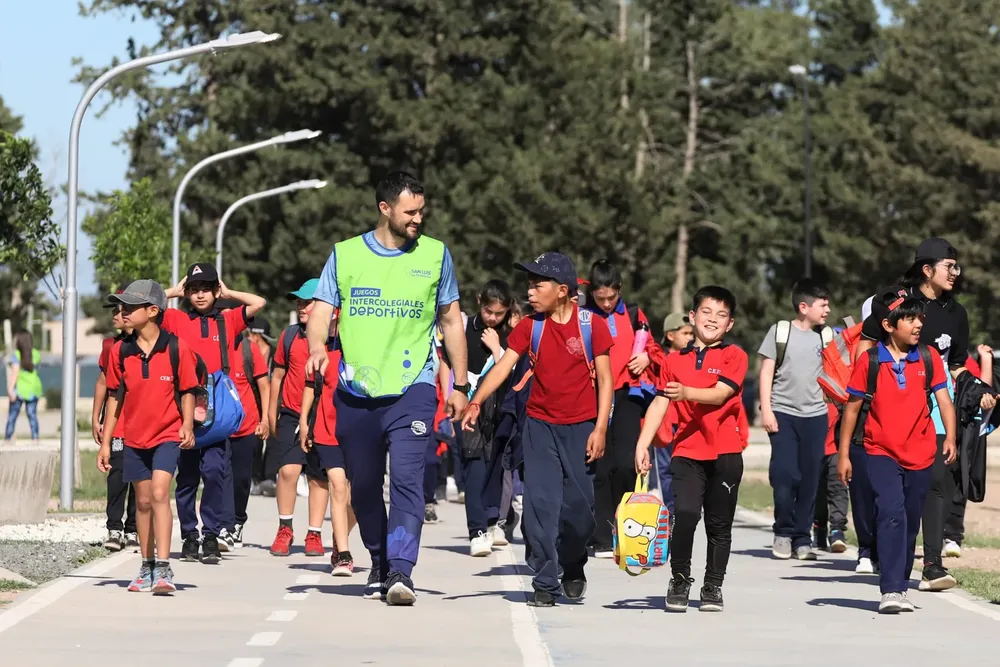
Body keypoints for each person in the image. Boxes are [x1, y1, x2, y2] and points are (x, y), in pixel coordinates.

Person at [306, 172, 469, 606]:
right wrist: (318, 346)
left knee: (407, 480)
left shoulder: (436, 255)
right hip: (356, 391)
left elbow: (451, 320)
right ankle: (378, 560)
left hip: (413, 387)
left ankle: (401, 569)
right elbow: (322, 309)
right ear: (385, 209)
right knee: (361, 487)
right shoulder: (345, 255)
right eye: (410, 211)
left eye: (422, 210)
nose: (419, 218)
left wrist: (461, 382)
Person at [462, 252, 614, 607]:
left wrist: (601, 427)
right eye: (529, 283)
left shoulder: (592, 326)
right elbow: (502, 368)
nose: (530, 291)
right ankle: (545, 581)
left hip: (581, 428)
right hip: (539, 427)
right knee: (540, 508)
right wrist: (475, 400)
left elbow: (606, 379)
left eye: (538, 283)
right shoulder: (530, 327)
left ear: (562, 290)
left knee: (580, 511)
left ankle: (573, 564)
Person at [857, 238, 995, 591]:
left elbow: (957, 367)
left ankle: (931, 563)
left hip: (936, 409)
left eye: (956, 266)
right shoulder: (895, 303)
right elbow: (866, 345)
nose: (955, 273)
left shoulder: (957, 313)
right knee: (893, 495)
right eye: (950, 266)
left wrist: (980, 390)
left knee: (936, 483)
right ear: (927, 269)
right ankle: (881, 551)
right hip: (890, 410)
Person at [837, 292, 956, 613]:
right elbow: (852, 410)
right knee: (890, 513)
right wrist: (844, 453)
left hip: (921, 452)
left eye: (920, 318)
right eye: (910, 319)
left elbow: (944, 399)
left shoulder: (928, 357)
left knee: (909, 519)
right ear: (889, 325)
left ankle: (899, 583)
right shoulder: (870, 360)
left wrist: (951, 438)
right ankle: (890, 588)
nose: (918, 324)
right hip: (880, 452)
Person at [635, 286, 748, 613]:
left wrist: (686, 391)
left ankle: (713, 585)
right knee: (684, 515)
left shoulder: (734, 355)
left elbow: (720, 394)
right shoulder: (673, 360)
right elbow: (659, 401)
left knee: (719, 524)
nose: (713, 319)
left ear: (730, 324)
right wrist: (643, 443)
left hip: (726, 452)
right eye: (707, 312)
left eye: (721, 315)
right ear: (693, 316)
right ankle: (680, 578)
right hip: (686, 450)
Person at [99, 280, 199, 595]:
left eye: (130, 307)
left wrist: (187, 425)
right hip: (134, 438)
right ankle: (147, 565)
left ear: (152, 311)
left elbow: (187, 390)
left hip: (167, 434)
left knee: (158, 493)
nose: (122, 312)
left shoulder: (175, 347)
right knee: (142, 502)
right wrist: (105, 441)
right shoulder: (120, 351)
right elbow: (115, 397)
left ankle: (165, 567)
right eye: (121, 307)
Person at [162, 263, 266, 563]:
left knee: (215, 473)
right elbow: (145, 303)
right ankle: (190, 536)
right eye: (194, 290)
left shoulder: (228, 320)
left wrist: (229, 292)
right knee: (187, 478)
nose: (200, 295)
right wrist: (173, 291)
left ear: (215, 291)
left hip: (216, 410)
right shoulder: (176, 319)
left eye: (206, 289)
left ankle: (211, 534)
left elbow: (259, 302)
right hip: (184, 406)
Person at [585, 260, 665, 557]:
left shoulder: (633, 314)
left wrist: (646, 357)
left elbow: (654, 348)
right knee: (600, 465)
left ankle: (627, 526)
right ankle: (602, 535)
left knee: (625, 462)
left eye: (612, 297)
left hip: (629, 394)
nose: (606, 303)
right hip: (594, 396)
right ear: (591, 293)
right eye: (600, 298)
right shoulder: (583, 315)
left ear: (619, 290)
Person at [757, 279, 832, 560]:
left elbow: (841, 369)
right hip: (783, 413)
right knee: (785, 475)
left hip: (816, 416)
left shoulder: (826, 337)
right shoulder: (780, 331)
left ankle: (803, 538)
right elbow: (766, 372)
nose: (827, 309)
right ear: (804, 306)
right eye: (822, 304)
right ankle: (783, 532)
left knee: (811, 479)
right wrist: (766, 409)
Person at [439, 279, 514, 556]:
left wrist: (497, 349)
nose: (493, 318)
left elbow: (512, 368)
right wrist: (450, 396)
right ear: (480, 302)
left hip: (501, 406)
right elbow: (446, 360)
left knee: (496, 464)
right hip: (467, 404)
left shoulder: (510, 335)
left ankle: (494, 522)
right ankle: (477, 530)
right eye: (488, 312)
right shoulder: (463, 329)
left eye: (499, 314)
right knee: (474, 464)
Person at [267, 280, 331, 557]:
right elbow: (277, 375)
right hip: (292, 413)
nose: (302, 307)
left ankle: (314, 533)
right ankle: (285, 527)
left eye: (308, 302)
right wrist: (271, 413)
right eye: (299, 302)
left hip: (324, 415)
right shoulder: (290, 336)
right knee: (288, 471)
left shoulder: (336, 337)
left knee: (319, 477)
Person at [300, 309, 358, 576]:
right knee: (337, 486)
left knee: (357, 496)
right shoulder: (322, 352)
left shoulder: (366, 351)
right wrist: (304, 422)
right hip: (327, 429)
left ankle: (339, 535)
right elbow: (311, 386)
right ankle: (344, 554)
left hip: (360, 432)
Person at [222, 302, 271, 549]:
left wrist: (265, 420)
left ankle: (237, 522)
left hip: (246, 426)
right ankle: (222, 526)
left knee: (241, 478)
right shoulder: (209, 348)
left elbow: (264, 386)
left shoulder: (248, 350)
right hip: (217, 427)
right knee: (218, 476)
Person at [93, 299, 138, 552]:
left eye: (121, 310)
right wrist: (95, 418)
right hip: (118, 421)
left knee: (140, 476)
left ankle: (133, 528)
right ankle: (114, 528)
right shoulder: (111, 346)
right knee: (118, 472)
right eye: (115, 311)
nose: (116, 315)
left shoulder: (152, 345)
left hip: (143, 422)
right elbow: (104, 384)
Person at [652, 313, 694, 513]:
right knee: (666, 469)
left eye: (692, 333)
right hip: (666, 423)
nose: (690, 337)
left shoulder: (695, 358)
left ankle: (685, 508)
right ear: (670, 335)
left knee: (687, 469)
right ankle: (671, 512)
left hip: (688, 422)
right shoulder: (658, 359)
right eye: (685, 333)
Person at [247, 319, 276, 497]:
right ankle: (255, 477)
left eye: (250, 334)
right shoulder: (248, 353)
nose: (248, 337)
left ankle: (269, 478)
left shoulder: (273, 354)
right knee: (255, 439)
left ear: (257, 336)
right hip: (253, 400)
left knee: (273, 438)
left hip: (273, 401)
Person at [4, 331, 42, 445]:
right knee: (32, 415)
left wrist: (10, 389)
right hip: (33, 389)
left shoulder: (16, 355)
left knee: (12, 415)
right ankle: (35, 438)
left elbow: (15, 373)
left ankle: (8, 439)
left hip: (20, 389)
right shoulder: (36, 354)